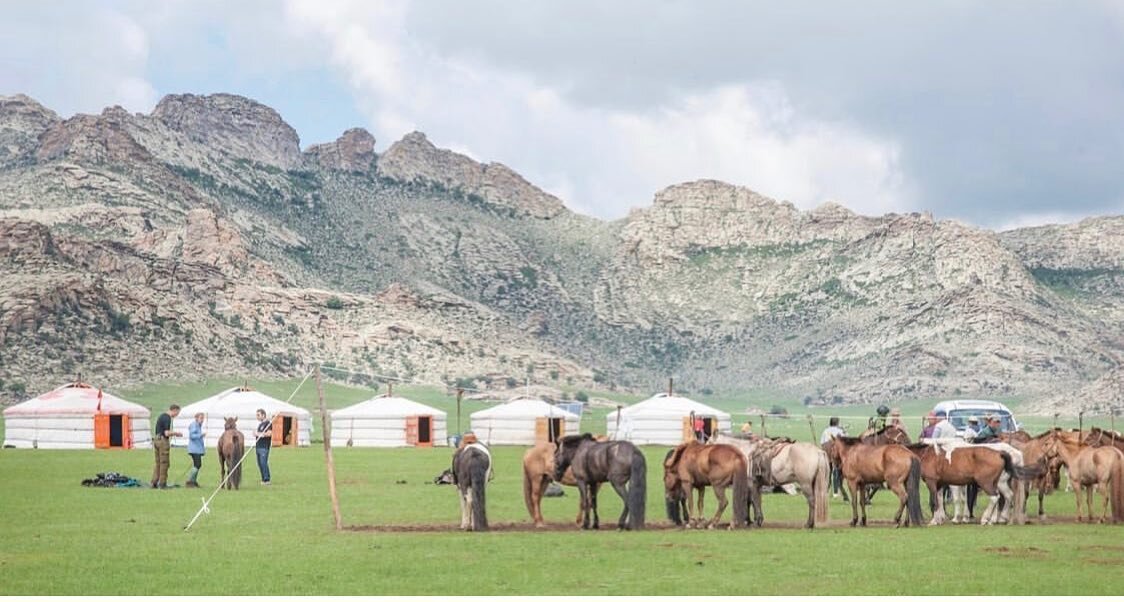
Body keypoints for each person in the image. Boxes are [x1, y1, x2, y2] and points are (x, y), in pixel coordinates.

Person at [151, 404, 182, 489]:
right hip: (162, 441)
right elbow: (166, 433)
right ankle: (162, 483)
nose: (177, 415)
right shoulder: (167, 418)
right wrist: (176, 433)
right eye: (177, 413)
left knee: (158, 463)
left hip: (156, 440)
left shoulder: (161, 416)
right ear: (174, 410)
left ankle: (154, 482)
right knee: (164, 463)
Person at [819, 417, 848, 500]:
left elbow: (822, 443)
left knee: (828, 474)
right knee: (837, 474)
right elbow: (845, 441)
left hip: (827, 455)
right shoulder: (840, 431)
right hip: (837, 456)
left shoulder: (825, 431)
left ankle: (825, 492)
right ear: (837, 423)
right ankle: (838, 492)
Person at [185, 412, 206, 488]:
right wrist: (201, 435)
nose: (202, 420)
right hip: (194, 449)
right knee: (198, 464)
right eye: (201, 418)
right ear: (196, 418)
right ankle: (190, 481)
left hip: (197, 449)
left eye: (203, 418)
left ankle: (193, 481)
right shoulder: (194, 425)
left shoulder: (198, 425)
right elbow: (192, 435)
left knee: (197, 465)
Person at [254, 408, 273, 486]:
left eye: (258, 415)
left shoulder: (268, 424)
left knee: (263, 462)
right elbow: (259, 433)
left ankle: (267, 479)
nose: (257, 417)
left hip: (264, 447)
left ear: (263, 415)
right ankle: (263, 479)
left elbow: (269, 433)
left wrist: (259, 434)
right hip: (258, 446)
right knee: (259, 463)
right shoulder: (260, 424)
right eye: (257, 415)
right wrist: (256, 433)